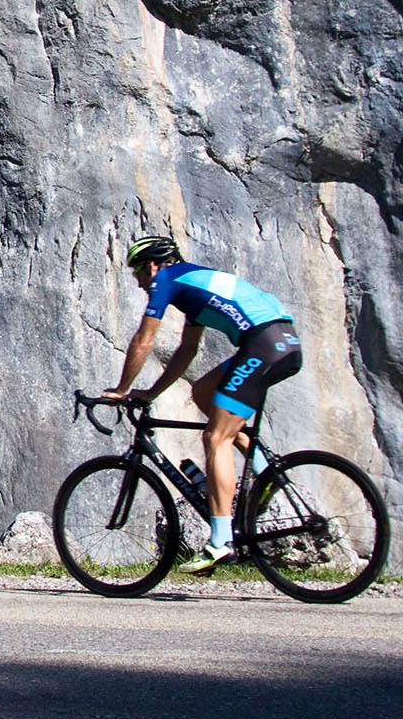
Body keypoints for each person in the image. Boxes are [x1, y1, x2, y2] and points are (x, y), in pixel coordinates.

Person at [101, 235, 302, 573]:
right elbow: (187, 351)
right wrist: (150, 393)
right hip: (282, 341)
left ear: (152, 264)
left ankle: (221, 541)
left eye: (137, 271)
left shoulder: (166, 279)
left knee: (215, 439)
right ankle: (264, 470)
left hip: (262, 345)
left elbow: (143, 339)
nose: (137, 281)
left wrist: (122, 389)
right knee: (203, 392)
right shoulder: (194, 286)